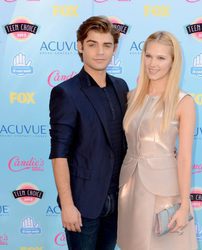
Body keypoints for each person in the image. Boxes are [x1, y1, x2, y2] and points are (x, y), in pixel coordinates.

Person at [49, 16, 128, 250]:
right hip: (83, 205)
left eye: (107, 45)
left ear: (114, 49)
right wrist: (67, 205)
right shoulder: (66, 92)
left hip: (117, 201)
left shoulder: (121, 87)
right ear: (80, 46)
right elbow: (59, 154)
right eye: (92, 44)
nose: (100, 52)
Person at [117, 31, 198, 250]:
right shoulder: (132, 97)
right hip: (129, 188)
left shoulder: (183, 102)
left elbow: (184, 157)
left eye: (161, 58)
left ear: (173, 62)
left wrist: (183, 205)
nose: (153, 64)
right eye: (149, 56)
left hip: (164, 192)